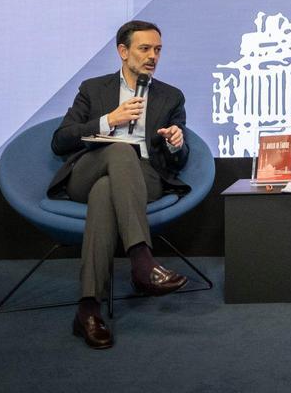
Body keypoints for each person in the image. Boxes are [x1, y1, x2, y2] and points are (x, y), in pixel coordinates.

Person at [49, 20, 191, 349]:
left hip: (144, 178)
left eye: (158, 50)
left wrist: (175, 142)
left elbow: (179, 159)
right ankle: (142, 261)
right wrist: (108, 120)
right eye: (145, 49)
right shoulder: (93, 89)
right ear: (123, 52)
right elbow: (60, 141)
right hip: (89, 170)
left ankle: (87, 309)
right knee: (118, 151)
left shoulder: (170, 97)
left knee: (104, 194)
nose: (153, 56)